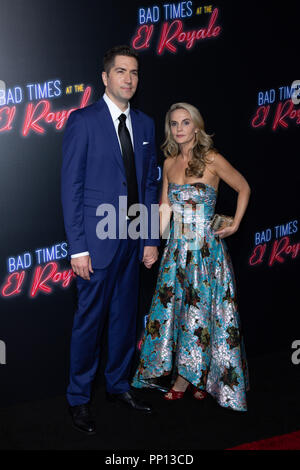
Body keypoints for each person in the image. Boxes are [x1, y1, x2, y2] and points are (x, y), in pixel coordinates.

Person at [61, 45, 160, 435]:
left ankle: (119, 386)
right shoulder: (82, 121)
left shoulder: (148, 124)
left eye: (134, 72)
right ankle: (79, 398)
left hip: (133, 240)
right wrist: (78, 247)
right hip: (96, 245)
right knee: (89, 324)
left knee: (124, 320)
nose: (128, 79)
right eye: (121, 72)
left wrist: (150, 237)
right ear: (105, 78)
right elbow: (72, 188)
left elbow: (150, 185)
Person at [132, 102, 250, 412]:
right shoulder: (170, 162)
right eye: (174, 124)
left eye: (185, 122)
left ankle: (197, 378)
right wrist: (151, 244)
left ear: (196, 127)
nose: (179, 128)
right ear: (170, 129)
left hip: (206, 251)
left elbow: (243, 187)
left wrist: (235, 224)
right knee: (179, 313)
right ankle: (188, 376)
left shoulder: (212, 159)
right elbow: (165, 209)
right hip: (176, 251)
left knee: (206, 313)